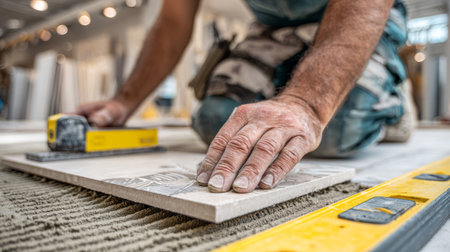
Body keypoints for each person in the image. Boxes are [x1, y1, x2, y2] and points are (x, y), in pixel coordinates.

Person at [75, 0, 410, 194]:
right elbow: (173, 20)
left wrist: (306, 105)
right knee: (217, 118)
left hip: (357, 15)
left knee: (337, 128)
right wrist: (125, 101)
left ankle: (392, 105)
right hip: (275, 27)